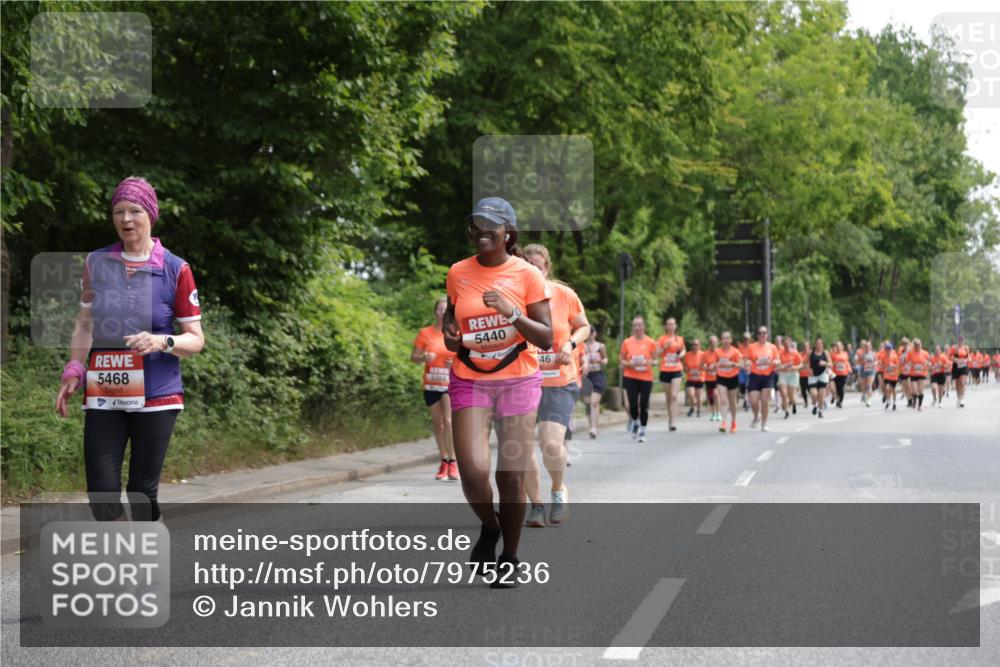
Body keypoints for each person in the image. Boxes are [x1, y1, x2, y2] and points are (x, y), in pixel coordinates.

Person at [55, 177, 205, 522]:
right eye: (119, 211)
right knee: (102, 491)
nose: (126, 219)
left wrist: (162, 341)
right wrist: (75, 367)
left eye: (135, 211)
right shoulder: (96, 263)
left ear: (150, 215)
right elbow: (85, 324)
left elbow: (195, 339)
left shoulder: (175, 268)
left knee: (141, 489)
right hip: (106, 389)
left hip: (157, 393)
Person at [442, 197, 553, 587]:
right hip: (470, 377)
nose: (481, 231)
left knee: (510, 475)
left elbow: (546, 335)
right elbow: (451, 326)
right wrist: (451, 338)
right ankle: (490, 527)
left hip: (518, 381)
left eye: (491, 225)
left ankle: (510, 556)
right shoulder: (457, 272)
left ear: (509, 234)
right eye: (476, 224)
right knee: (472, 472)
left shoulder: (527, 275)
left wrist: (511, 312)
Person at [521, 244, 590, 528]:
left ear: (546, 269)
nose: (533, 273)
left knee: (550, 444)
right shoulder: (514, 297)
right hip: (522, 380)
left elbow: (584, 326)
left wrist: (569, 343)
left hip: (560, 381)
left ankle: (558, 490)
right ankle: (536, 505)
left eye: (538, 268)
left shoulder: (564, 295)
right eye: (528, 268)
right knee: (521, 449)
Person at [411, 297, 458, 481]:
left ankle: (453, 462)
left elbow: (467, 356)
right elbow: (413, 357)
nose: (442, 313)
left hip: (449, 384)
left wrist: (454, 362)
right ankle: (443, 461)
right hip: (431, 384)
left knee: (449, 422)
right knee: (438, 425)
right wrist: (424, 358)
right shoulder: (425, 333)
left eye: (445, 310)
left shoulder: (455, 331)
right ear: (435, 312)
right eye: (439, 309)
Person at [621, 315, 658, 441]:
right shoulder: (627, 342)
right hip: (630, 376)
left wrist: (650, 363)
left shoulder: (651, 342)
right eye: (635, 325)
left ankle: (642, 429)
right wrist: (629, 364)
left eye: (639, 325)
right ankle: (635, 421)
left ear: (644, 326)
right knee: (632, 405)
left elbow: (655, 360)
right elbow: (622, 361)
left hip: (646, 377)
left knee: (643, 404)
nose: (637, 327)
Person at [745, 326, 779, 432]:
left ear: (767, 335)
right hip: (755, 375)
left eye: (764, 333)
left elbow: (778, 360)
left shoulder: (772, 347)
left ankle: (764, 424)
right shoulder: (752, 347)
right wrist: (748, 364)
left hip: (767, 376)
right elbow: (747, 360)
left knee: (765, 401)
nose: (762, 335)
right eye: (760, 333)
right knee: (753, 401)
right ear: (757, 335)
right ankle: (756, 416)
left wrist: (773, 362)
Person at [655, 318, 685, 431]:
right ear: (666, 326)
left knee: (674, 396)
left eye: (672, 324)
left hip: (676, 369)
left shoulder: (679, 339)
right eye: (668, 324)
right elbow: (656, 354)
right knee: (668, 398)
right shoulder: (662, 339)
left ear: (675, 326)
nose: (671, 326)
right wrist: (664, 347)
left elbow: (683, 350)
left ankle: (674, 421)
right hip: (664, 369)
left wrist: (680, 355)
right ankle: (670, 418)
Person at [714, 331, 743, 433]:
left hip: (733, 377)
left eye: (727, 338)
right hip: (721, 377)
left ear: (730, 340)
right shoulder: (717, 351)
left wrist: (733, 364)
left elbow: (741, 365)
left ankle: (733, 422)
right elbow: (713, 364)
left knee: (732, 402)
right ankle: (723, 422)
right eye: (723, 338)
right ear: (721, 340)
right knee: (722, 399)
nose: (725, 340)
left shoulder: (735, 351)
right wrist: (715, 365)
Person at [582, 328, 608, 439]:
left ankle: (594, 428)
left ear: (595, 333)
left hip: (598, 374)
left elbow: (606, 360)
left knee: (594, 402)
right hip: (587, 376)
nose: (591, 335)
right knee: (588, 403)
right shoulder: (582, 346)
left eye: (592, 333)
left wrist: (601, 361)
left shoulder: (601, 346)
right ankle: (591, 426)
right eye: (589, 333)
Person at [776, 336, 801, 419]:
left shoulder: (795, 353)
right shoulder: (780, 353)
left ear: (791, 343)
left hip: (793, 374)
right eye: (785, 344)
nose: (787, 345)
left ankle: (793, 403)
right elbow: (778, 366)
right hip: (783, 374)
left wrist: (795, 367)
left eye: (788, 343)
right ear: (783, 344)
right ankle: (786, 412)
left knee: (791, 395)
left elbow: (801, 364)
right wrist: (783, 366)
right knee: (783, 393)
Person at [807, 337, 832, 418]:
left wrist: (825, 363)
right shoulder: (811, 352)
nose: (819, 345)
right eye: (817, 343)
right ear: (815, 344)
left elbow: (831, 364)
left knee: (821, 394)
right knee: (814, 394)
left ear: (822, 345)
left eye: (820, 344)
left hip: (822, 374)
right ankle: (816, 405)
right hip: (813, 374)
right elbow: (805, 362)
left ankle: (820, 411)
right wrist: (809, 369)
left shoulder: (825, 353)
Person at [683, 339, 704, 418]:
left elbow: (706, 365)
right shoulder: (687, 355)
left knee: (698, 396)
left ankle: (698, 411)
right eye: (693, 345)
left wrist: (700, 370)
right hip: (690, 378)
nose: (695, 346)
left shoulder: (703, 354)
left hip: (700, 378)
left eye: (696, 345)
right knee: (691, 394)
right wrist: (686, 369)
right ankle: (692, 407)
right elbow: (685, 366)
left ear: (699, 346)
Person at [906, 338, 930, 411]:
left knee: (920, 390)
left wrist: (926, 364)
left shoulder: (925, 353)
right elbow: (907, 362)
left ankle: (919, 406)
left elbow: (929, 362)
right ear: (914, 346)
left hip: (922, 373)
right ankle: (914, 401)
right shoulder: (910, 353)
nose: (917, 347)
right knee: (914, 390)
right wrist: (912, 365)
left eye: (919, 345)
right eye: (916, 345)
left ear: (921, 345)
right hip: (913, 374)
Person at [877, 341, 899, 410]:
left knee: (893, 390)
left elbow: (898, 366)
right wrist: (881, 365)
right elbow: (881, 365)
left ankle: (894, 402)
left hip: (893, 376)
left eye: (889, 349)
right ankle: (888, 401)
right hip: (886, 375)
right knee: (887, 388)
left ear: (891, 349)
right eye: (886, 349)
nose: (887, 350)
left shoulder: (894, 356)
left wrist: (893, 366)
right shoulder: (883, 357)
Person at [703, 335, 721, 422]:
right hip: (708, 378)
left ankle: (719, 413)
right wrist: (706, 367)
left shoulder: (720, 352)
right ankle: (713, 413)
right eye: (711, 342)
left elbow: (723, 363)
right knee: (711, 397)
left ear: (717, 343)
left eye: (714, 342)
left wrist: (716, 366)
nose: (712, 344)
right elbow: (701, 365)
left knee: (716, 395)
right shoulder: (705, 354)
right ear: (709, 343)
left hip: (718, 377)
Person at [949, 337, 970, 407]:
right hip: (956, 367)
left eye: (962, 340)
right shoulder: (953, 348)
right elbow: (950, 356)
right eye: (959, 340)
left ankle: (962, 399)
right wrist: (956, 360)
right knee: (957, 384)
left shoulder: (966, 348)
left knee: (962, 383)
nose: (960, 342)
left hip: (964, 367)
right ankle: (958, 398)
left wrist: (966, 360)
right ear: (957, 341)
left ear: (964, 341)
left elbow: (968, 357)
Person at [830, 342, 851, 409]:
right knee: (833, 388)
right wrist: (834, 363)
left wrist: (849, 368)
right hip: (834, 373)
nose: (838, 348)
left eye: (839, 346)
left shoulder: (845, 353)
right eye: (837, 346)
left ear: (842, 347)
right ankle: (835, 397)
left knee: (840, 388)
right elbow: (830, 363)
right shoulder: (832, 354)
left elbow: (847, 362)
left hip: (843, 373)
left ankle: (839, 401)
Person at [858, 340, 876, 407]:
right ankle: (864, 395)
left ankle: (869, 400)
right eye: (866, 346)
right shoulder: (862, 354)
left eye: (868, 346)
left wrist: (874, 364)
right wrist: (862, 360)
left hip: (871, 370)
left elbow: (877, 361)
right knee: (864, 386)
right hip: (864, 370)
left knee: (869, 385)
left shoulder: (873, 353)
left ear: (871, 347)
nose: (867, 347)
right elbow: (858, 362)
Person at [738, 331, 752, 411]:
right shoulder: (740, 347)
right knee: (742, 384)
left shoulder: (752, 347)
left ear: (749, 339)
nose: (746, 340)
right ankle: (744, 398)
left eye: (747, 339)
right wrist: (742, 365)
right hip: (742, 368)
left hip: (749, 368)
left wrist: (749, 364)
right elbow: (738, 358)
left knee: (748, 386)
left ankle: (747, 402)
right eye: (744, 339)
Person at [798, 341, 812, 407]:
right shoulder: (800, 354)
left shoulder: (811, 354)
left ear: (809, 347)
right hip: (802, 375)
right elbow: (798, 363)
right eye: (804, 346)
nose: (805, 348)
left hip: (809, 375)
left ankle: (816, 400)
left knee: (810, 389)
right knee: (803, 390)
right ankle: (806, 402)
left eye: (806, 346)